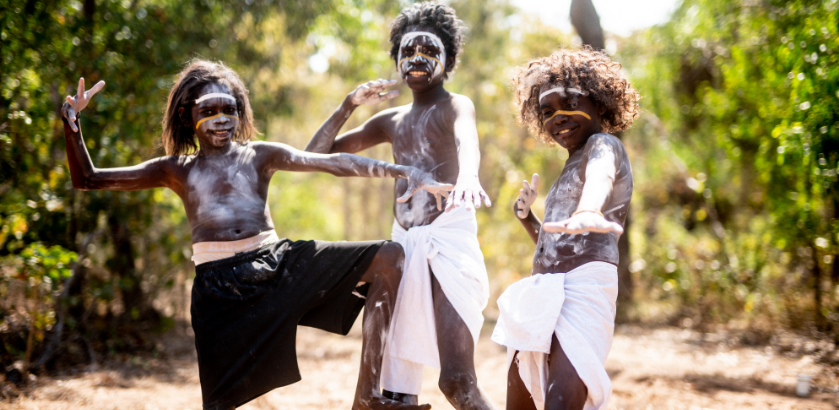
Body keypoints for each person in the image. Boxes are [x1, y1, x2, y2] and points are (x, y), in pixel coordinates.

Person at [60, 59, 452, 410]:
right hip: (219, 288)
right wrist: (72, 125)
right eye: (208, 110)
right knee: (219, 403)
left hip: (276, 264)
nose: (221, 119)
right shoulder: (175, 169)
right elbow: (89, 179)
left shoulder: (259, 154)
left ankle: (367, 396)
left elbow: (332, 162)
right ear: (186, 116)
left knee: (389, 257)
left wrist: (404, 172)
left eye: (229, 109)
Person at [304, 2, 495, 409]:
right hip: (403, 250)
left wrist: (468, 176)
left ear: (448, 59)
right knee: (395, 393)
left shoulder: (455, 105)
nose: (417, 59)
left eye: (429, 51)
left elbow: (467, 141)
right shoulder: (390, 120)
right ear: (396, 61)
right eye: (408, 52)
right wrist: (347, 105)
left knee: (457, 381)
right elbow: (315, 156)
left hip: (449, 243)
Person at [491, 47, 639, 410]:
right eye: (547, 111)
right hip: (544, 291)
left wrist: (590, 207)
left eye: (569, 104)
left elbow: (600, 175)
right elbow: (557, 242)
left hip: (584, 289)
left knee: (562, 400)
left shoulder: (603, 146)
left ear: (600, 104)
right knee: (521, 392)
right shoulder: (570, 164)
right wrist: (530, 220)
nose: (558, 117)